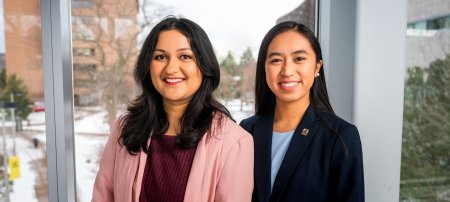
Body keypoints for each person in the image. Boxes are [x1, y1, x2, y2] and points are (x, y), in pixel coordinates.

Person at [92, 16, 254, 202]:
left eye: (185, 56)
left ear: (204, 65)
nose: (171, 68)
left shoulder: (235, 142)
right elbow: (102, 197)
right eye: (160, 57)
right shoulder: (125, 127)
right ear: (148, 65)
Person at [239, 21, 364, 202]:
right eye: (276, 60)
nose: (287, 71)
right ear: (264, 68)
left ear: (317, 67)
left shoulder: (340, 136)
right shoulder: (246, 131)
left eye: (299, 59)